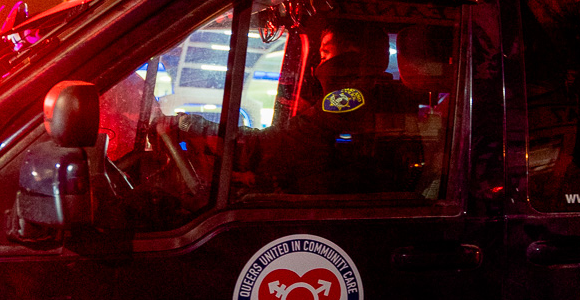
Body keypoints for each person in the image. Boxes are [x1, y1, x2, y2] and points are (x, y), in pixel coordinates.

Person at [173, 18, 422, 196]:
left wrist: (192, 125)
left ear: (352, 54)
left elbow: (268, 148)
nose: (319, 65)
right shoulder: (381, 94)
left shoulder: (351, 99)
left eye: (325, 55)